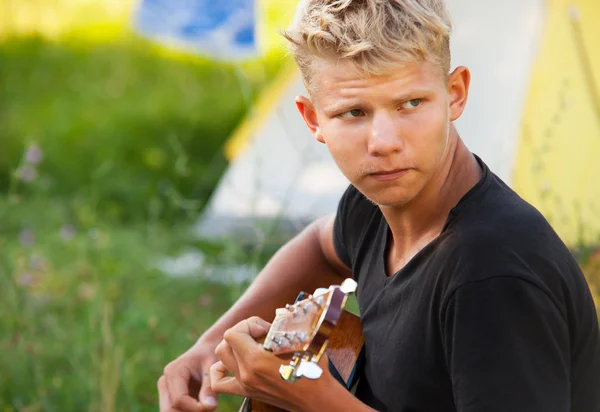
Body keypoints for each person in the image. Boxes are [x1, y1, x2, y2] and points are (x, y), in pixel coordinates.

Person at [157, 0, 600, 411]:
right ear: (313, 119)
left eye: (411, 103)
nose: (384, 144)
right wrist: (208, 344)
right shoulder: (378, 203)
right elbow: (319, 245)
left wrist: (317, 400)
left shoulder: (493, 276)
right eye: (353, 113)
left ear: (456, 93)